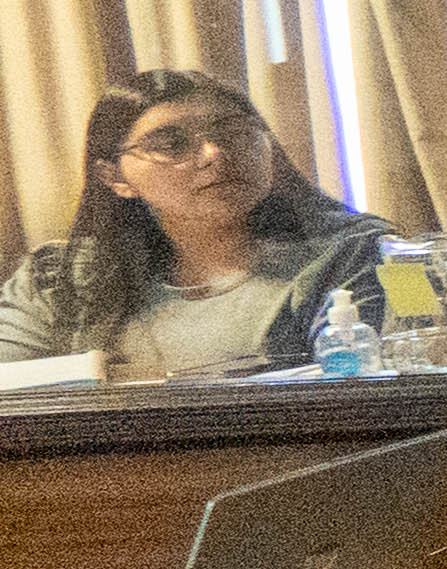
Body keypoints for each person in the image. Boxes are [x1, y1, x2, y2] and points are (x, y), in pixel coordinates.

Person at [0, 70, 390, 380]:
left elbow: (359, 397)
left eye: (234, 133)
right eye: (170, 145)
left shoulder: (352, 252)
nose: (213, 154)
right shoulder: (57, 277)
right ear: (114, 177)